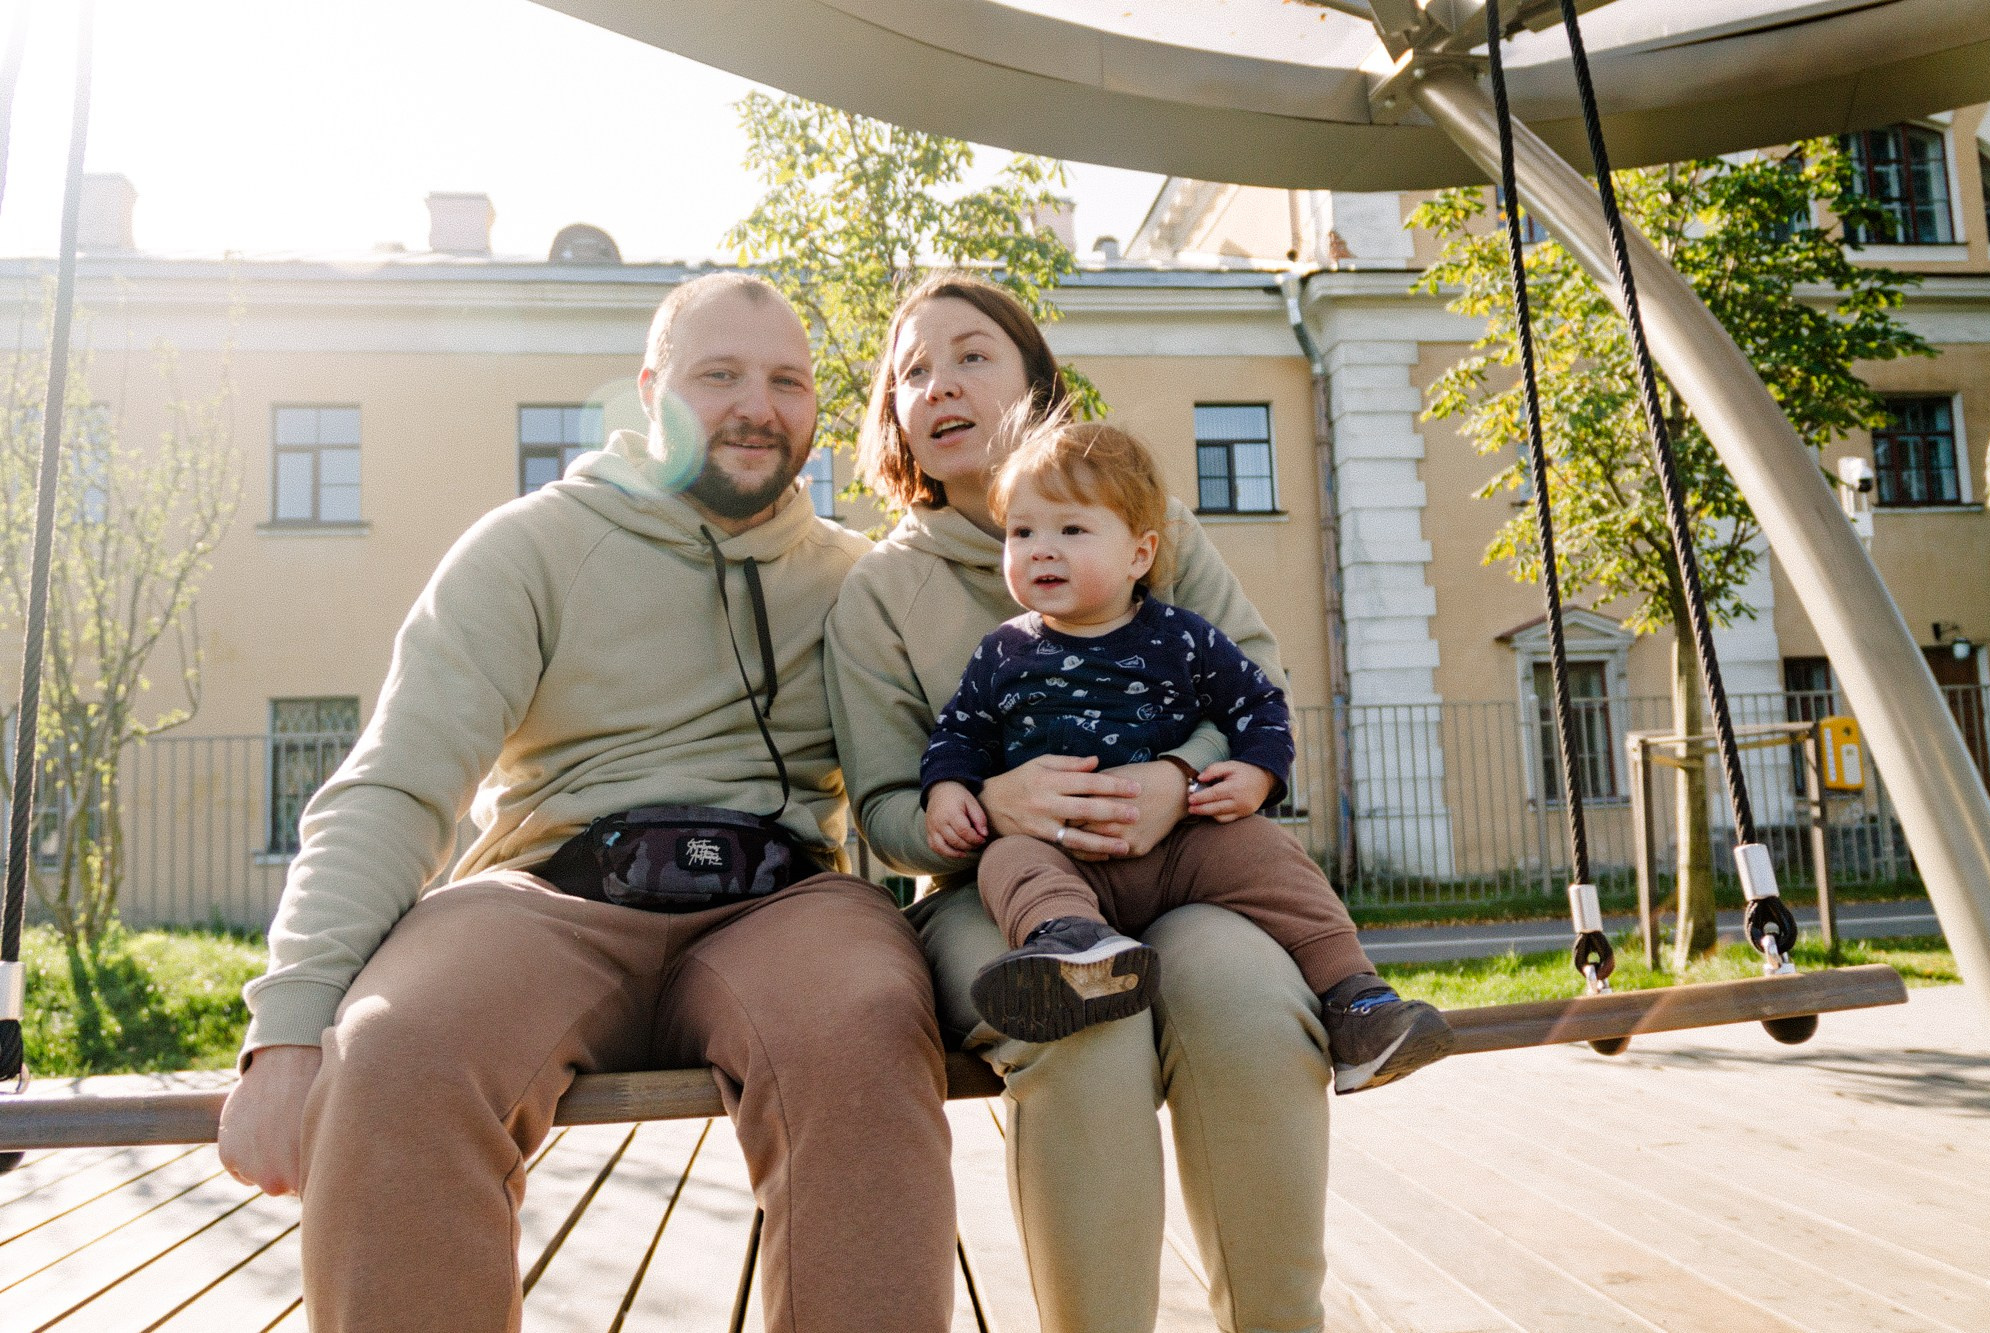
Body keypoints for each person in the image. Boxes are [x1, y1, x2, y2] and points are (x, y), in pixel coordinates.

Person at [217, 272, 957, 1333]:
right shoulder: (530, 546)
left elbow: (956, 762)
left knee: (867, 1027)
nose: (757, 406)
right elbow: (395, 782)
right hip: (547, 893)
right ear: (651, 391)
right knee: (394, 1048)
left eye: (787, 381)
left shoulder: (859, 581)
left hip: (783, 902)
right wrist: (288, 1029)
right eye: (719, 375)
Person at [827, 271, 1343, 1333]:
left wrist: (1177, 777)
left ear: (1034, 382)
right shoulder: (879, 591)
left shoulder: (1152, 524)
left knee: (1250, 1004)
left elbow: (1254, 680)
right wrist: (987, 802)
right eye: (912, 371)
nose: (939, 384)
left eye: (971, 355)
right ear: (895, 416)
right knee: (1081, 1020)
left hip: (1183, 870)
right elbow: (882, 809)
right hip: (999, 896)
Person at [920, 416, 1454, 1088]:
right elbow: (959, 735)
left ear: (1139, 554)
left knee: (1268, 853)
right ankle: (1076, 953)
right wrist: (949, 789)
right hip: (1061, 853)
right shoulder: (1003, 652)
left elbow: (1259, 703)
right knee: (1007, 861)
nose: (1041, 550)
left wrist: (1258, 773)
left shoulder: (1182, 638)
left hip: (1182, 846)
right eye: (1022, 532)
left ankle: (1357, 1001)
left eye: (1072, 530)